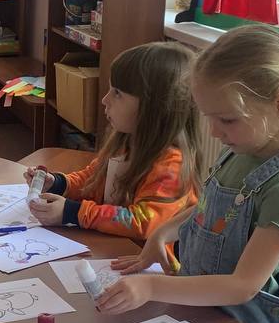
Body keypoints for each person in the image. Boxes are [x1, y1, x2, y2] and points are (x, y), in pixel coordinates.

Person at [98, 25, 279, 323]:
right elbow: (212, 207)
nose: (213, 131)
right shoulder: (240, 150)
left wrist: (151, 286)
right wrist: (163, 232)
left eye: (226, 120)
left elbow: (242, 285)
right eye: (208, 117)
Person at [25, 41, 201, 247]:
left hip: (146, 261)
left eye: (117, 93)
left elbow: (143, 222)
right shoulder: (125, 141)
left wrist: (73, 212)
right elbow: (92, 180)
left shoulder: (172, 164)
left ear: (153, 107)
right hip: (111, 248)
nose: (105, 100)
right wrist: (58, 183)